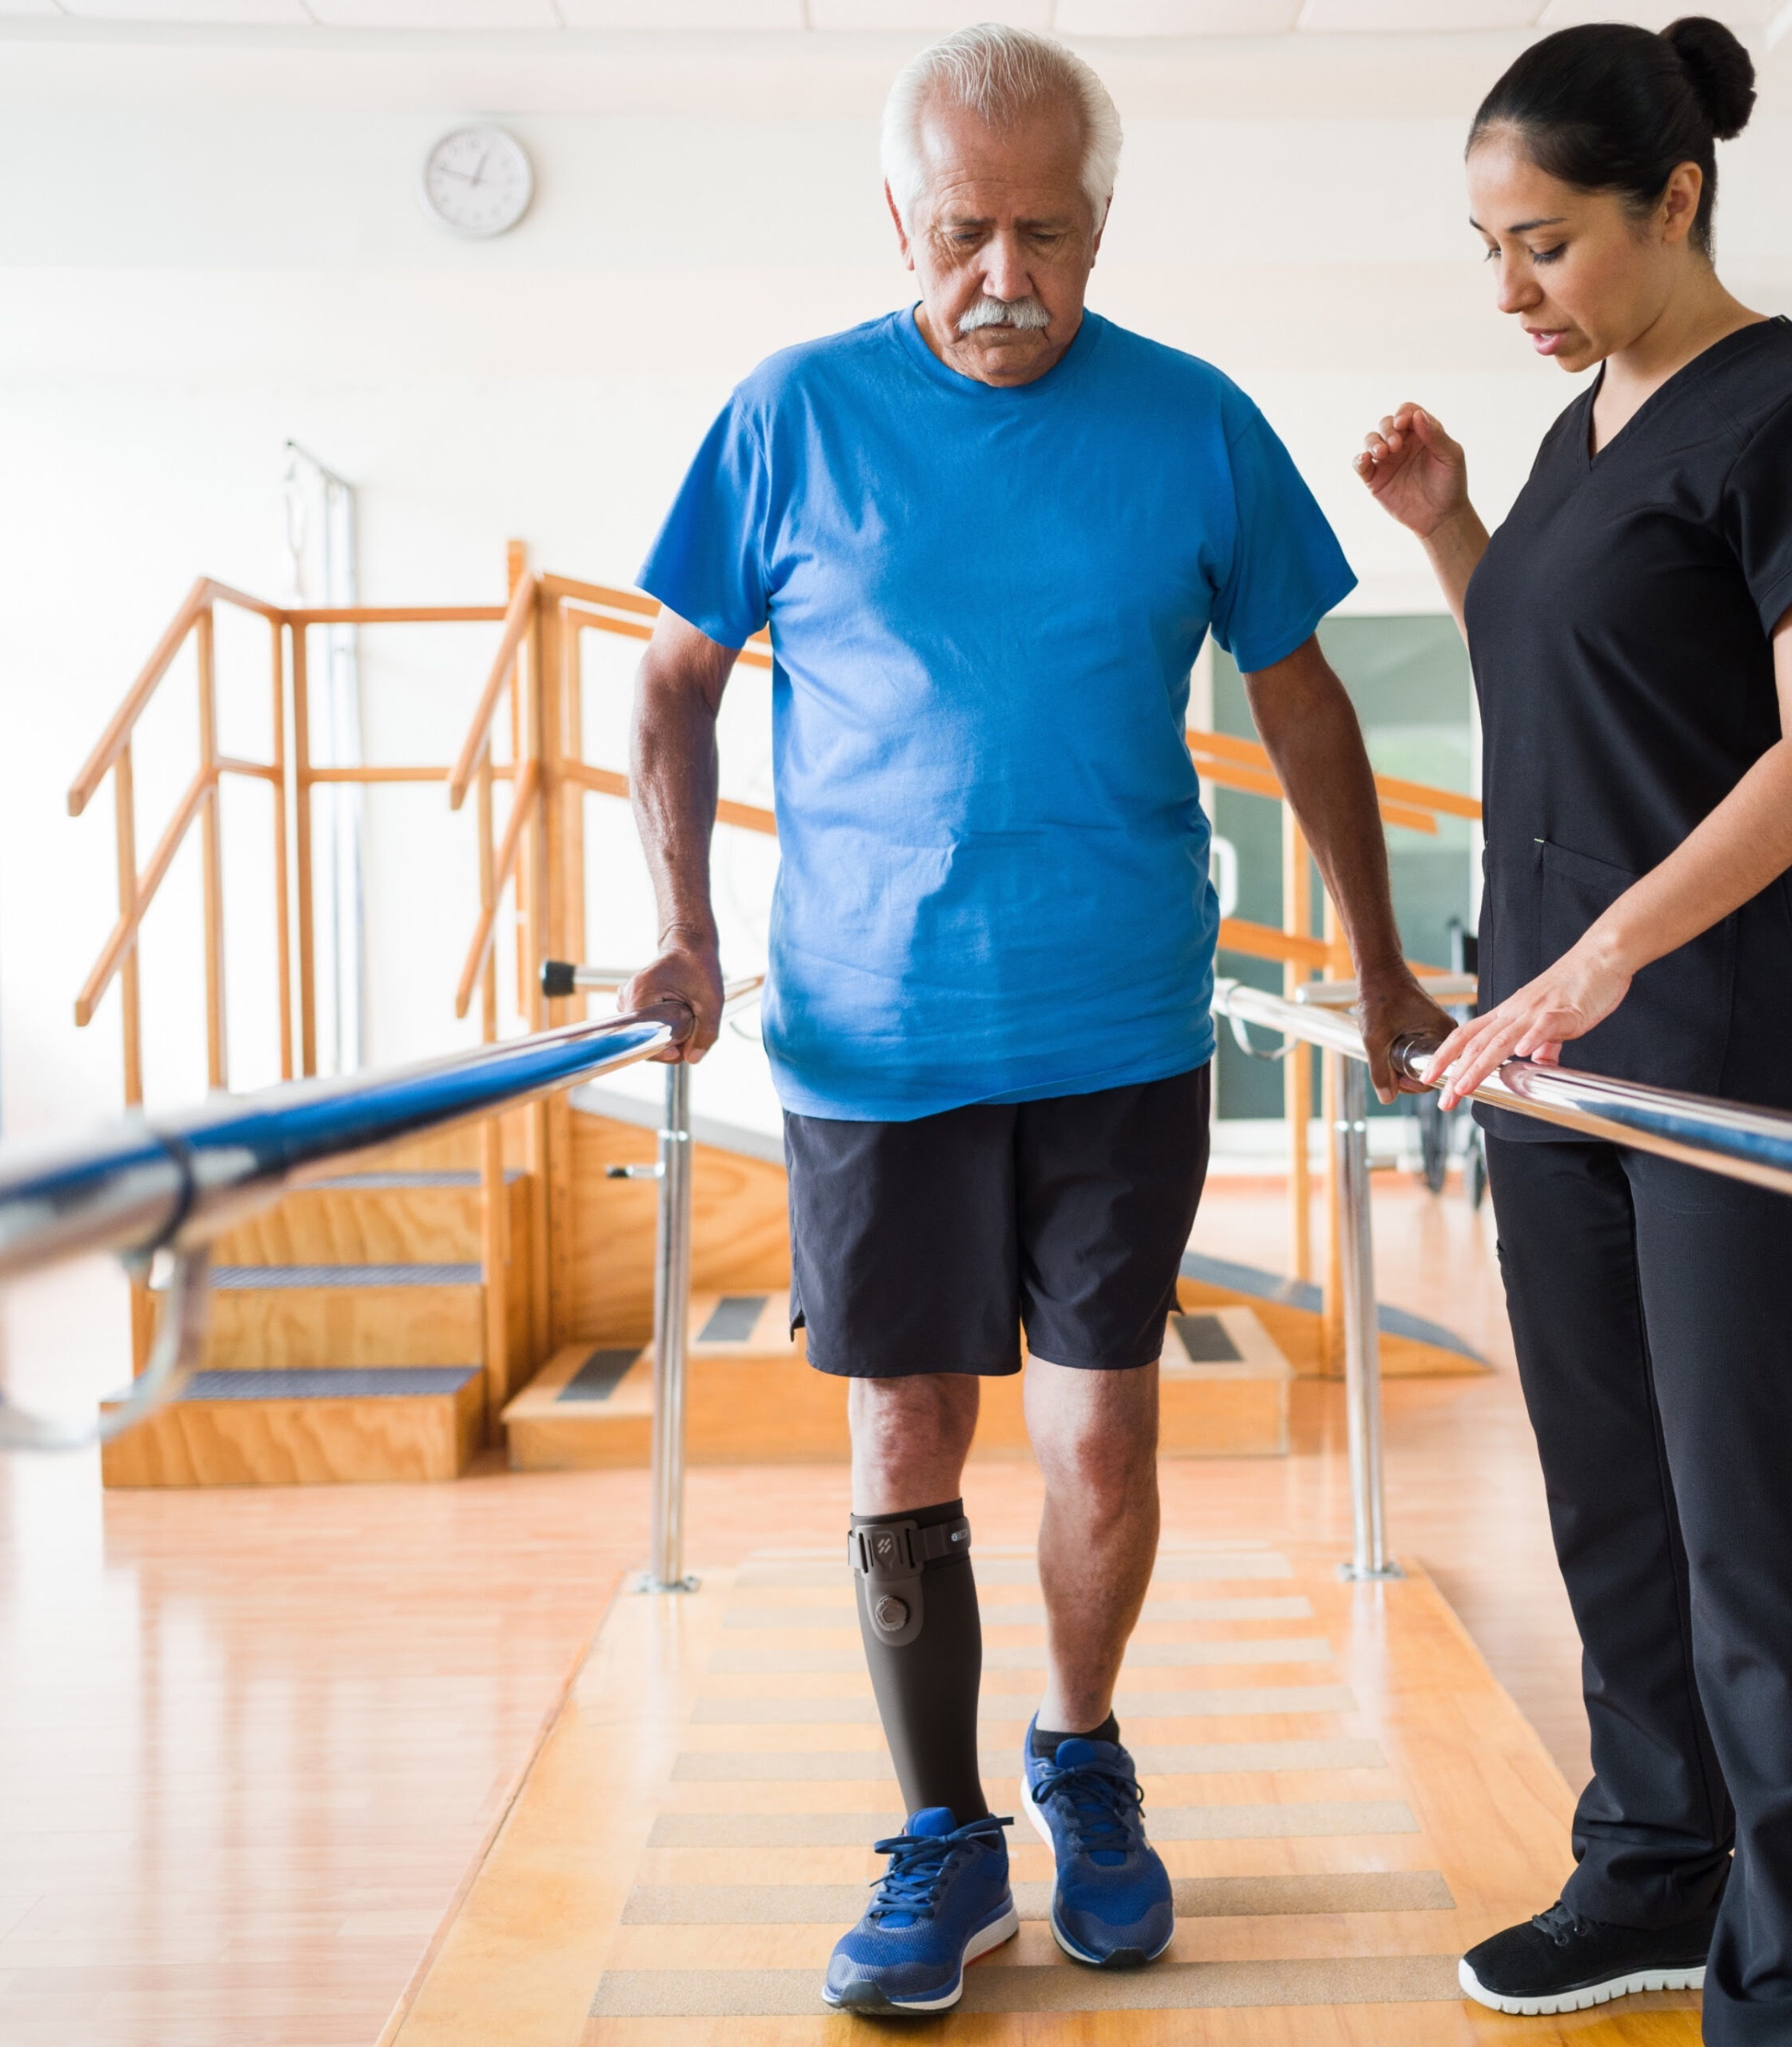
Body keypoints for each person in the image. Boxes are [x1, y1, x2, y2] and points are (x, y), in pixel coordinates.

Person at [619, 22, 1449, 2018]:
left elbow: (1302, 692)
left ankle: (1076, 1758)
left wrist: (1381, 956)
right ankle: (938, 1834)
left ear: (1100, 226)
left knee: (1098, 1431)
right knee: (904, 1420)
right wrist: (678, 932)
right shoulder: (789, 415)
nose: (1006, 277)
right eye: (967, 233)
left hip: (1118, 1028)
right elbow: (669, 683)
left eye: (1049, 235)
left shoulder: (1193, 424)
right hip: (870, 1035)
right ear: (897, 216)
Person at [1356, 18, 1792, 2045]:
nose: (1510, 291)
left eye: (1546, 245)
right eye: (1487, 250)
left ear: (1674, 198)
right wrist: (1445, 532)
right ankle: (1652, 1869)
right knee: (1609, 1492)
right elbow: (1576, 679)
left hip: (1728, 1035)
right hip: (1554, 1045)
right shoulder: (1587, 417)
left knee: (1750, 1522)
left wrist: (1599, 957)